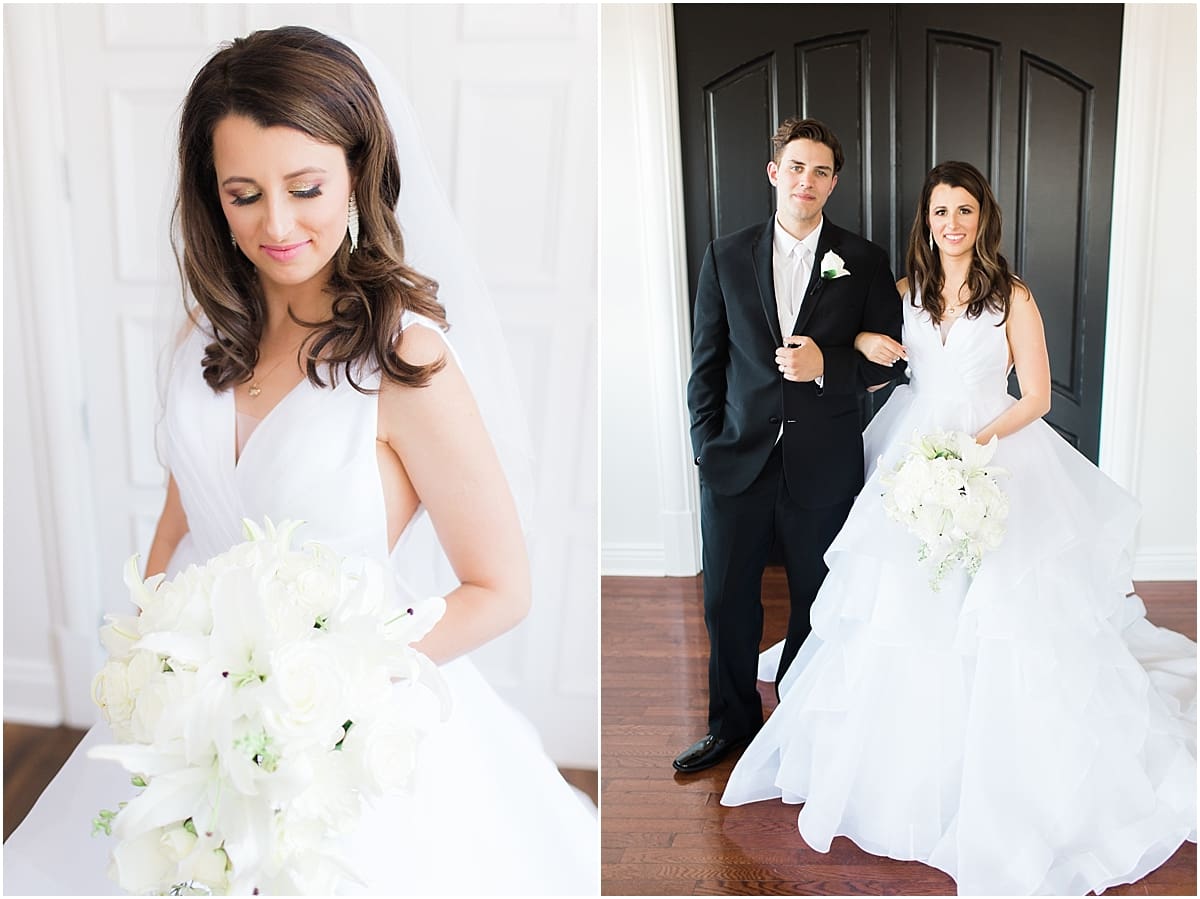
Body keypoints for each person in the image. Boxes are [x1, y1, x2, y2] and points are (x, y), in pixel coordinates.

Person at [3, 26, 597, 895]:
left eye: (305, 187)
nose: (276, 225)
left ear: (357, 172)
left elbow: (500, 587)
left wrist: (322, 691)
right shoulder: (202, 335)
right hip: (187, 712)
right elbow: (188, 505)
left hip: (341, 728)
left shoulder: (404, 361)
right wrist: (151, 665)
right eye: (243, 194)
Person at [722, 160, 1196, 895]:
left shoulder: (1015, 297)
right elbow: (879, 367)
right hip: (912, 453)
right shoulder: (903, 294)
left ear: (983, 218)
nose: (952, 224)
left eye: (965, 211)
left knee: (1003, 608)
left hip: (996, 450)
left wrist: (975, 448)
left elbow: (1035, 395)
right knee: (896, 605)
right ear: (927, 219)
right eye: (941, 211)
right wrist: (855, 356)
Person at [675, 118, 904, 774]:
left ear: (834, 182)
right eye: (796, 167)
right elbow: (706, 366)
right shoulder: (724, 255)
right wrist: (702, 447)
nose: (808, 180)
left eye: (822, 171)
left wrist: (827, 363)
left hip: (823, 463)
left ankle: (800, 732)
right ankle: (732, 727)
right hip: (735, 460)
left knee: (816, 597)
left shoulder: (863, 260)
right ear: (775, 172)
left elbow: (890, 361)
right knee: (725, 600)